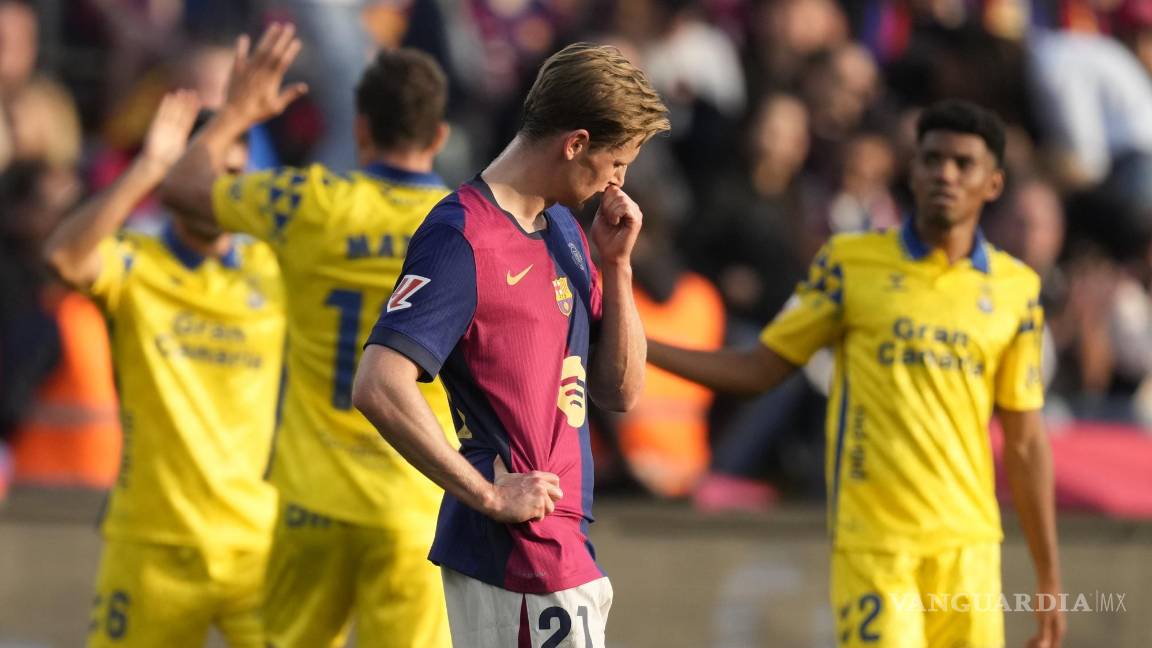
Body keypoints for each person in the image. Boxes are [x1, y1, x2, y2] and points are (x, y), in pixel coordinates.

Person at [648, 101, 1065, 648]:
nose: (945, 173)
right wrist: (642, 345)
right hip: (876, 543)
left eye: (963, 163)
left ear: (993, 184)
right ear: (910, 170)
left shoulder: (1017, 291)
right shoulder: (850, 263)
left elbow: (1027, 443)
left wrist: (1049, 577)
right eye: (932, 159)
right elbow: (759, 369)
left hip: (969, 548)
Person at [350, 42, 669, 646]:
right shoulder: (461, 236)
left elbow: (619, 390)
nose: (619, 183)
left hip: (560, 548)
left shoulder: (567, 231)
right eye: (619, 162)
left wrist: (618, 267)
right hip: (521, 559)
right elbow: (378, 385)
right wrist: (490, 495)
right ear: (575, 143)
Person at [161, 24, 458, 647]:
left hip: (310, 500)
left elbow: (185, 188)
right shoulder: (465, 229)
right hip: (415, 503)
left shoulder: (306, 202)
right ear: (439, 137)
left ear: (359, 129)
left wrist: (236, 112)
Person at [43, 90, 286, 648]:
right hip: (151, 545)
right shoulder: (134, 262)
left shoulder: (270, 268)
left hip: (255, 546)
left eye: (230, 173)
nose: (213, 191)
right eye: (200, 174)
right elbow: (63, 258)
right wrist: (148, 168)